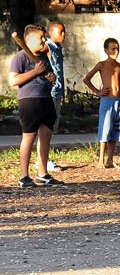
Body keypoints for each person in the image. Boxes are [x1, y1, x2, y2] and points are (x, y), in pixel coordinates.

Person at [9, 24, 64, 187]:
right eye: (41, 37)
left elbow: (47, 74)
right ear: (30, 39)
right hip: (29, 101)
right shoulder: (20, 57)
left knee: (46, 135)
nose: (44, 40)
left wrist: (51, 78)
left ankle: (43, 174)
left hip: (46, 99)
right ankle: (24, 176)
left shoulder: (43, 57)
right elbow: (13, 80)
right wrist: (34, 71)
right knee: (29, 137)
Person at [83, 37, 120, 168]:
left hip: (118, 101)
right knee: (104, 130)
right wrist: (97, 92)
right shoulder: (101, 65)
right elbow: (86, 79)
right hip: (107, 101)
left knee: (114, 131)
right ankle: (100, 160)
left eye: (117, 48)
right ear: (106, 50)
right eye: (113, 48)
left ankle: (110, 159)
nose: (116, 51)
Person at [45, 21, 66, 172]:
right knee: (46, 129)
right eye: (60, 32)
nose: (64, 35)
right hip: (50, 92)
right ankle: (43, 161)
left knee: (52, 129)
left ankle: (44, 159)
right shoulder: (47, 46)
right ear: (51, 33)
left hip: (57, 91)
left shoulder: (57, 47)